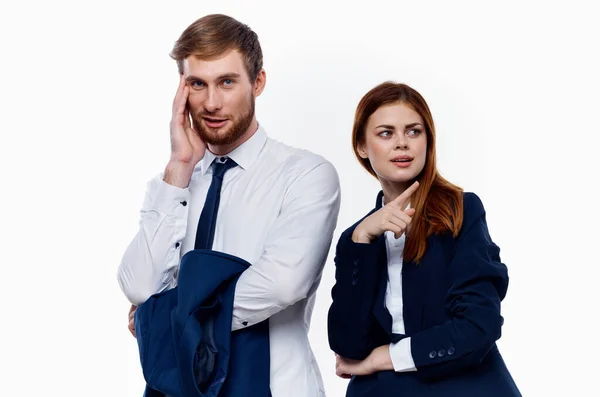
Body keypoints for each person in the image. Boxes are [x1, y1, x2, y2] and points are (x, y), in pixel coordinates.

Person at [117, 14, 341, 397]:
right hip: (176, 387)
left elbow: (283, 283)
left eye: (227, 82)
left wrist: (166, 316)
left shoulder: (305, 174)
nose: (212, 103)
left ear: (258, 82)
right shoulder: (177, 182)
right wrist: (179, 167)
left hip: (273, 385)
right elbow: (138, 285)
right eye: (197, 84)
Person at [327, 82, 521, 396]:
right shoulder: (357, 237)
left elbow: (478, 327)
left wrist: (383, 357)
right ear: (362, 146)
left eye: (414, 131)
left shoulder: (462, 211)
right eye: (386, 133)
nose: (402, 144)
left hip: (465, 386)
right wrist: (362, 239)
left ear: (428, 142)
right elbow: (347, 346)